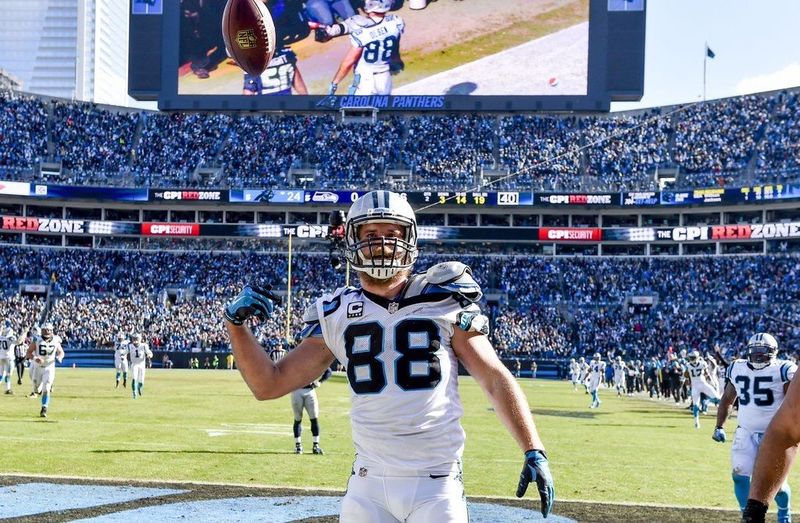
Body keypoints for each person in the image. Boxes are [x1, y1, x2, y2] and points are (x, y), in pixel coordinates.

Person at [225, 190, 554, 521]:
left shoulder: (445, 297)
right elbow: (268, 384)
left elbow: (494, 378)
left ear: (409, 240)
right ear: (352, 239)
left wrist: (533, 447)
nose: (381, 244)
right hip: (368, 487)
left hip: (437, 485)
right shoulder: (337, 313)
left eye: (391, 235)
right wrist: (236, 326)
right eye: (371, 235)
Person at [712, 333, 794, 523]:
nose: (757, 356)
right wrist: (719, 426)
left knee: (778, 487)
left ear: (774, 352)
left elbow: (793, 405)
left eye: (762, 352)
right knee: (739, 476)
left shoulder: (784, 369)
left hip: (774, 436)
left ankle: (784, 512)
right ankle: (747, 517)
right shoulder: (736, 368)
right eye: (754, 352)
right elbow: (727, 399)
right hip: (745, 431)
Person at [328, 0, 404, 96]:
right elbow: (394, 48)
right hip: (385, 77)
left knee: (356, 109)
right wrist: (396, 61)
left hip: (366, 79)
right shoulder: (396, 22)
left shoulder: (362, 29)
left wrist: (335, 82)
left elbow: (349, 61)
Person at [25, 323, 63, 418]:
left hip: (49, 367)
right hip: (38, 367)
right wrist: (35, 358)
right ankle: (39, 391)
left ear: (51, 331)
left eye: (48, 330)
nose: (46, 332)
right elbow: (28, 353)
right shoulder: (37, 340)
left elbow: (61, 352)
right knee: (36, 389)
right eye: (44, 330)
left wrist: (60, 357)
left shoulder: (55, 340)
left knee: (46, 388)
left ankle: (44, 408)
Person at [292, 368, 332, 455]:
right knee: (297, 419)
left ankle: (316, 445)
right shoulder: (293, 358)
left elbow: (328, 371)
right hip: (296, 390)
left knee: (314, 418)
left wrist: (320, 382)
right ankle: (298, 445)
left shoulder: (311, 358)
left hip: (310, 390)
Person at [685, 350, 720, 429]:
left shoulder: (688, 365)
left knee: (696, 405)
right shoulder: (702, 363)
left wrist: (688, 388)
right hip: (703, 384)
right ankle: (697, 421)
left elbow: (687, 378)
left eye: (692, 357)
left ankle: (696, 422)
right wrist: (712, 381)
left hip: (695, 386)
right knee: (716, 399)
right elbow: (707, 374)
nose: (691, 359)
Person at [129, 333, 153, 399]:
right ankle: (134, 393)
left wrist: (149, 355)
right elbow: (125, 352)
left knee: (141, 382)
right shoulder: (130, 346)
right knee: (134, 378)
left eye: (137, 339)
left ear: (140, 339)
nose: (135, 341)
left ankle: (139, 387)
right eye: (134, 339)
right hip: (134, 364)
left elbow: (149, 352)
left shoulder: (144, 345)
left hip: (142, 364)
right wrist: (122, 355)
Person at [0, 321, 16, 394]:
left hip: (1, 357)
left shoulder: (1, 337)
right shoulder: (11, 337)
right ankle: (8, 388)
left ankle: (8, 388)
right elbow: (17, 342)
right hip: (8, 358)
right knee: (8, 374)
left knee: (1, 374)